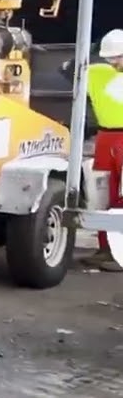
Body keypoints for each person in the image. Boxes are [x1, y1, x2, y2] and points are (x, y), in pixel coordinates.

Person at [82, 28, 123, 271]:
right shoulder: (101, 74)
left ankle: (110, 251)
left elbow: (66, 69)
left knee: (108, 198)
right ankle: (109, 251)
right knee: (108, 199)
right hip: (110, 139)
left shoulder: (94, 73)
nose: (114, 63)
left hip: (106, 140)